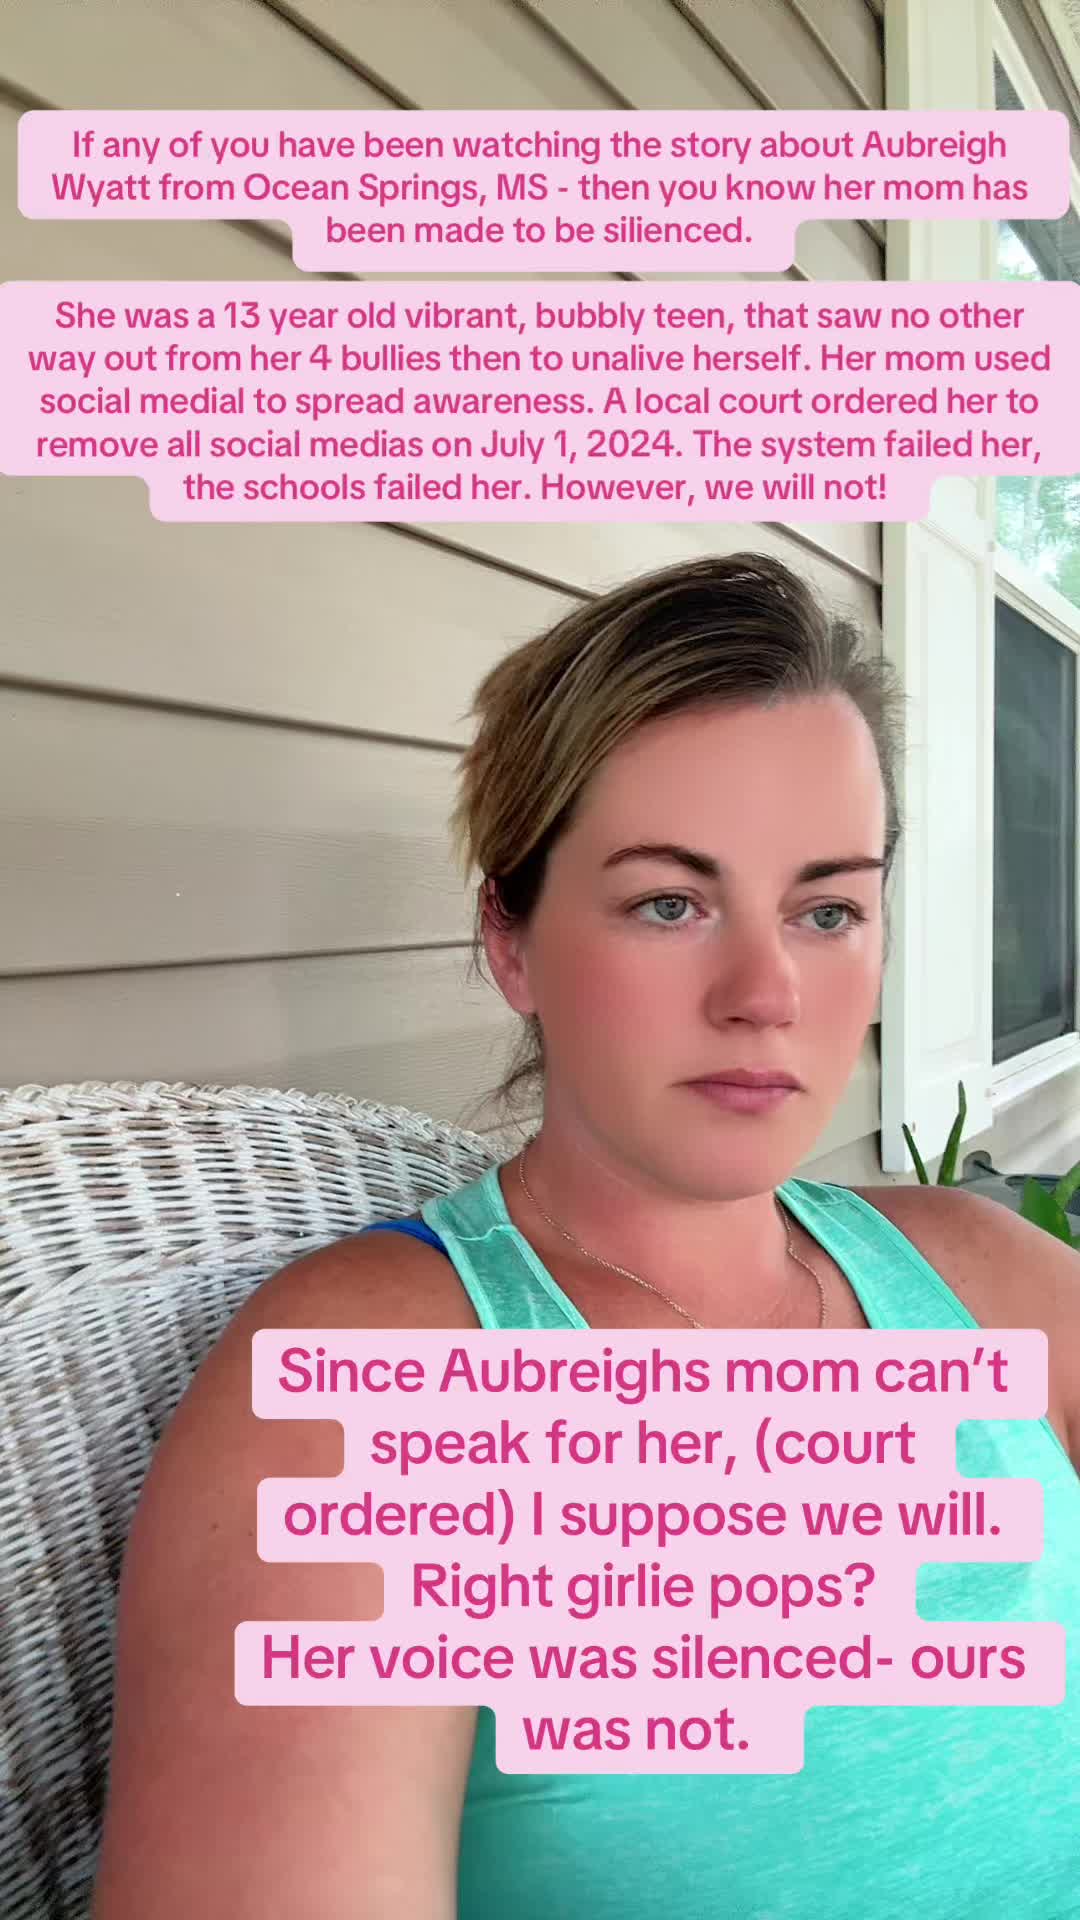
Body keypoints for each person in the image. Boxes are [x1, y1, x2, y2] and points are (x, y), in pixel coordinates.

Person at [92, 553, 1080, 1919]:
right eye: (669, 902)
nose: (766, 992)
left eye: (827, 909)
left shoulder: (986, 1274)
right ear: (512, 940)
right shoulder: (371, 1390)